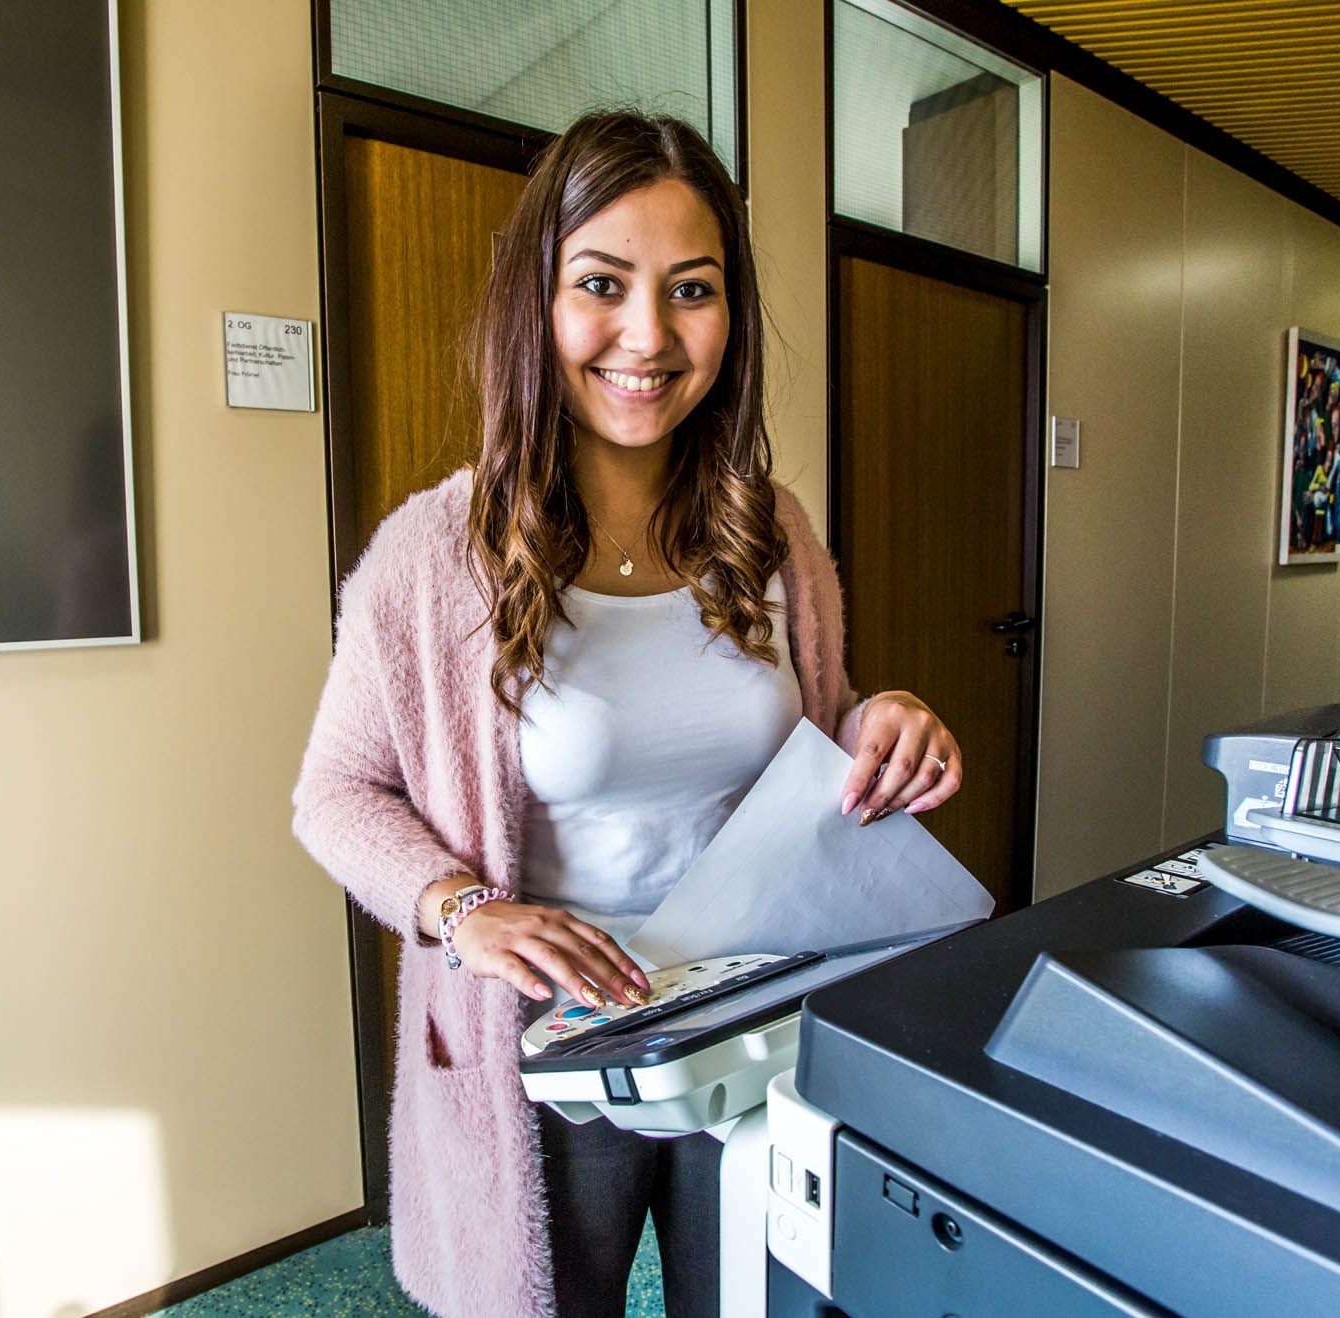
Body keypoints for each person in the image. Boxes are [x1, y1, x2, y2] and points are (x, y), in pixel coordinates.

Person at [293, 109, 962, 1318]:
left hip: (758, 1011)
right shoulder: (433, 556)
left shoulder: (772, 531)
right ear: (535, 302)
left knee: (763, 1298)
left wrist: (881, 722)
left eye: (692, 290)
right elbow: (334, 795)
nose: (647, 336)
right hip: (551, 1043)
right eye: (601, 283)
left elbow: (824, 720)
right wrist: (463, 912)